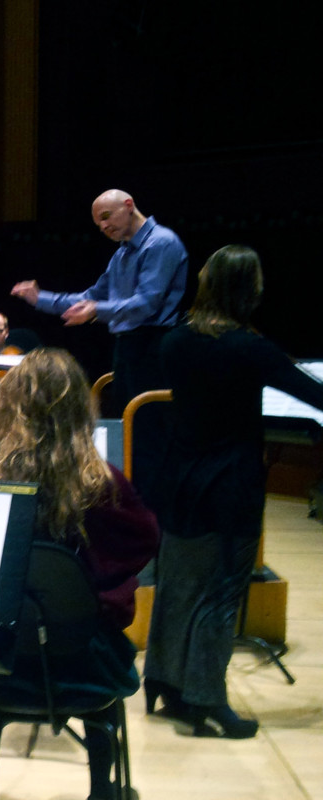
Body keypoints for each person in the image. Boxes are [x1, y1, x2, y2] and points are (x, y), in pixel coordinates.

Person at [0, 349, 159, 800]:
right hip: (85, 663)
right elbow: (144, 542)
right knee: (100, 631)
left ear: (8, 407)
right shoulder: (104, 483)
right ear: (81, 409)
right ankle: (102, 789)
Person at [144, 245, 323, 739]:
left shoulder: (175, 341)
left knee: (178, 584)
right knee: (222, 595)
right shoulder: (250, 347)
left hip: (179, 479)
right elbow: (312, 394)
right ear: (249, 290)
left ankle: (163, 683)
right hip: (230, 485)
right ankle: (206, 698)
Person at [10, 189, 187, 410]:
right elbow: (91, 298)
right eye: (98, 224)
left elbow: (146, 303)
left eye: (106, 216)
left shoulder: (161, 242)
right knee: (129, 427)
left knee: (148, 427)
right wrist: (40, 298)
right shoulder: (121, 254)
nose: (103, 227)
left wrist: (95, 310)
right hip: (128, 346)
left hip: (153, 345)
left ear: (129, 205)